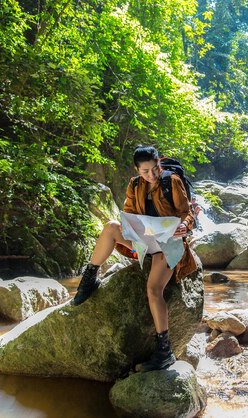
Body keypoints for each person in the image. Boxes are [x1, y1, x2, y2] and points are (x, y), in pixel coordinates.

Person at [72, 145, 197, 372]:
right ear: (137, 170)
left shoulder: (172, 182)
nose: (151, 175)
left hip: (169, 243)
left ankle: (164, 351)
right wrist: (132, 229)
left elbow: (187, 212)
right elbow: (128, 213)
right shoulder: (135, 184)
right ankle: (90, 277)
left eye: (154, 169)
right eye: (145, 172)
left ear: (159, 164)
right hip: (145, 240)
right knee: (111, 227)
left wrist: (184, 225)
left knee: (153, 289)